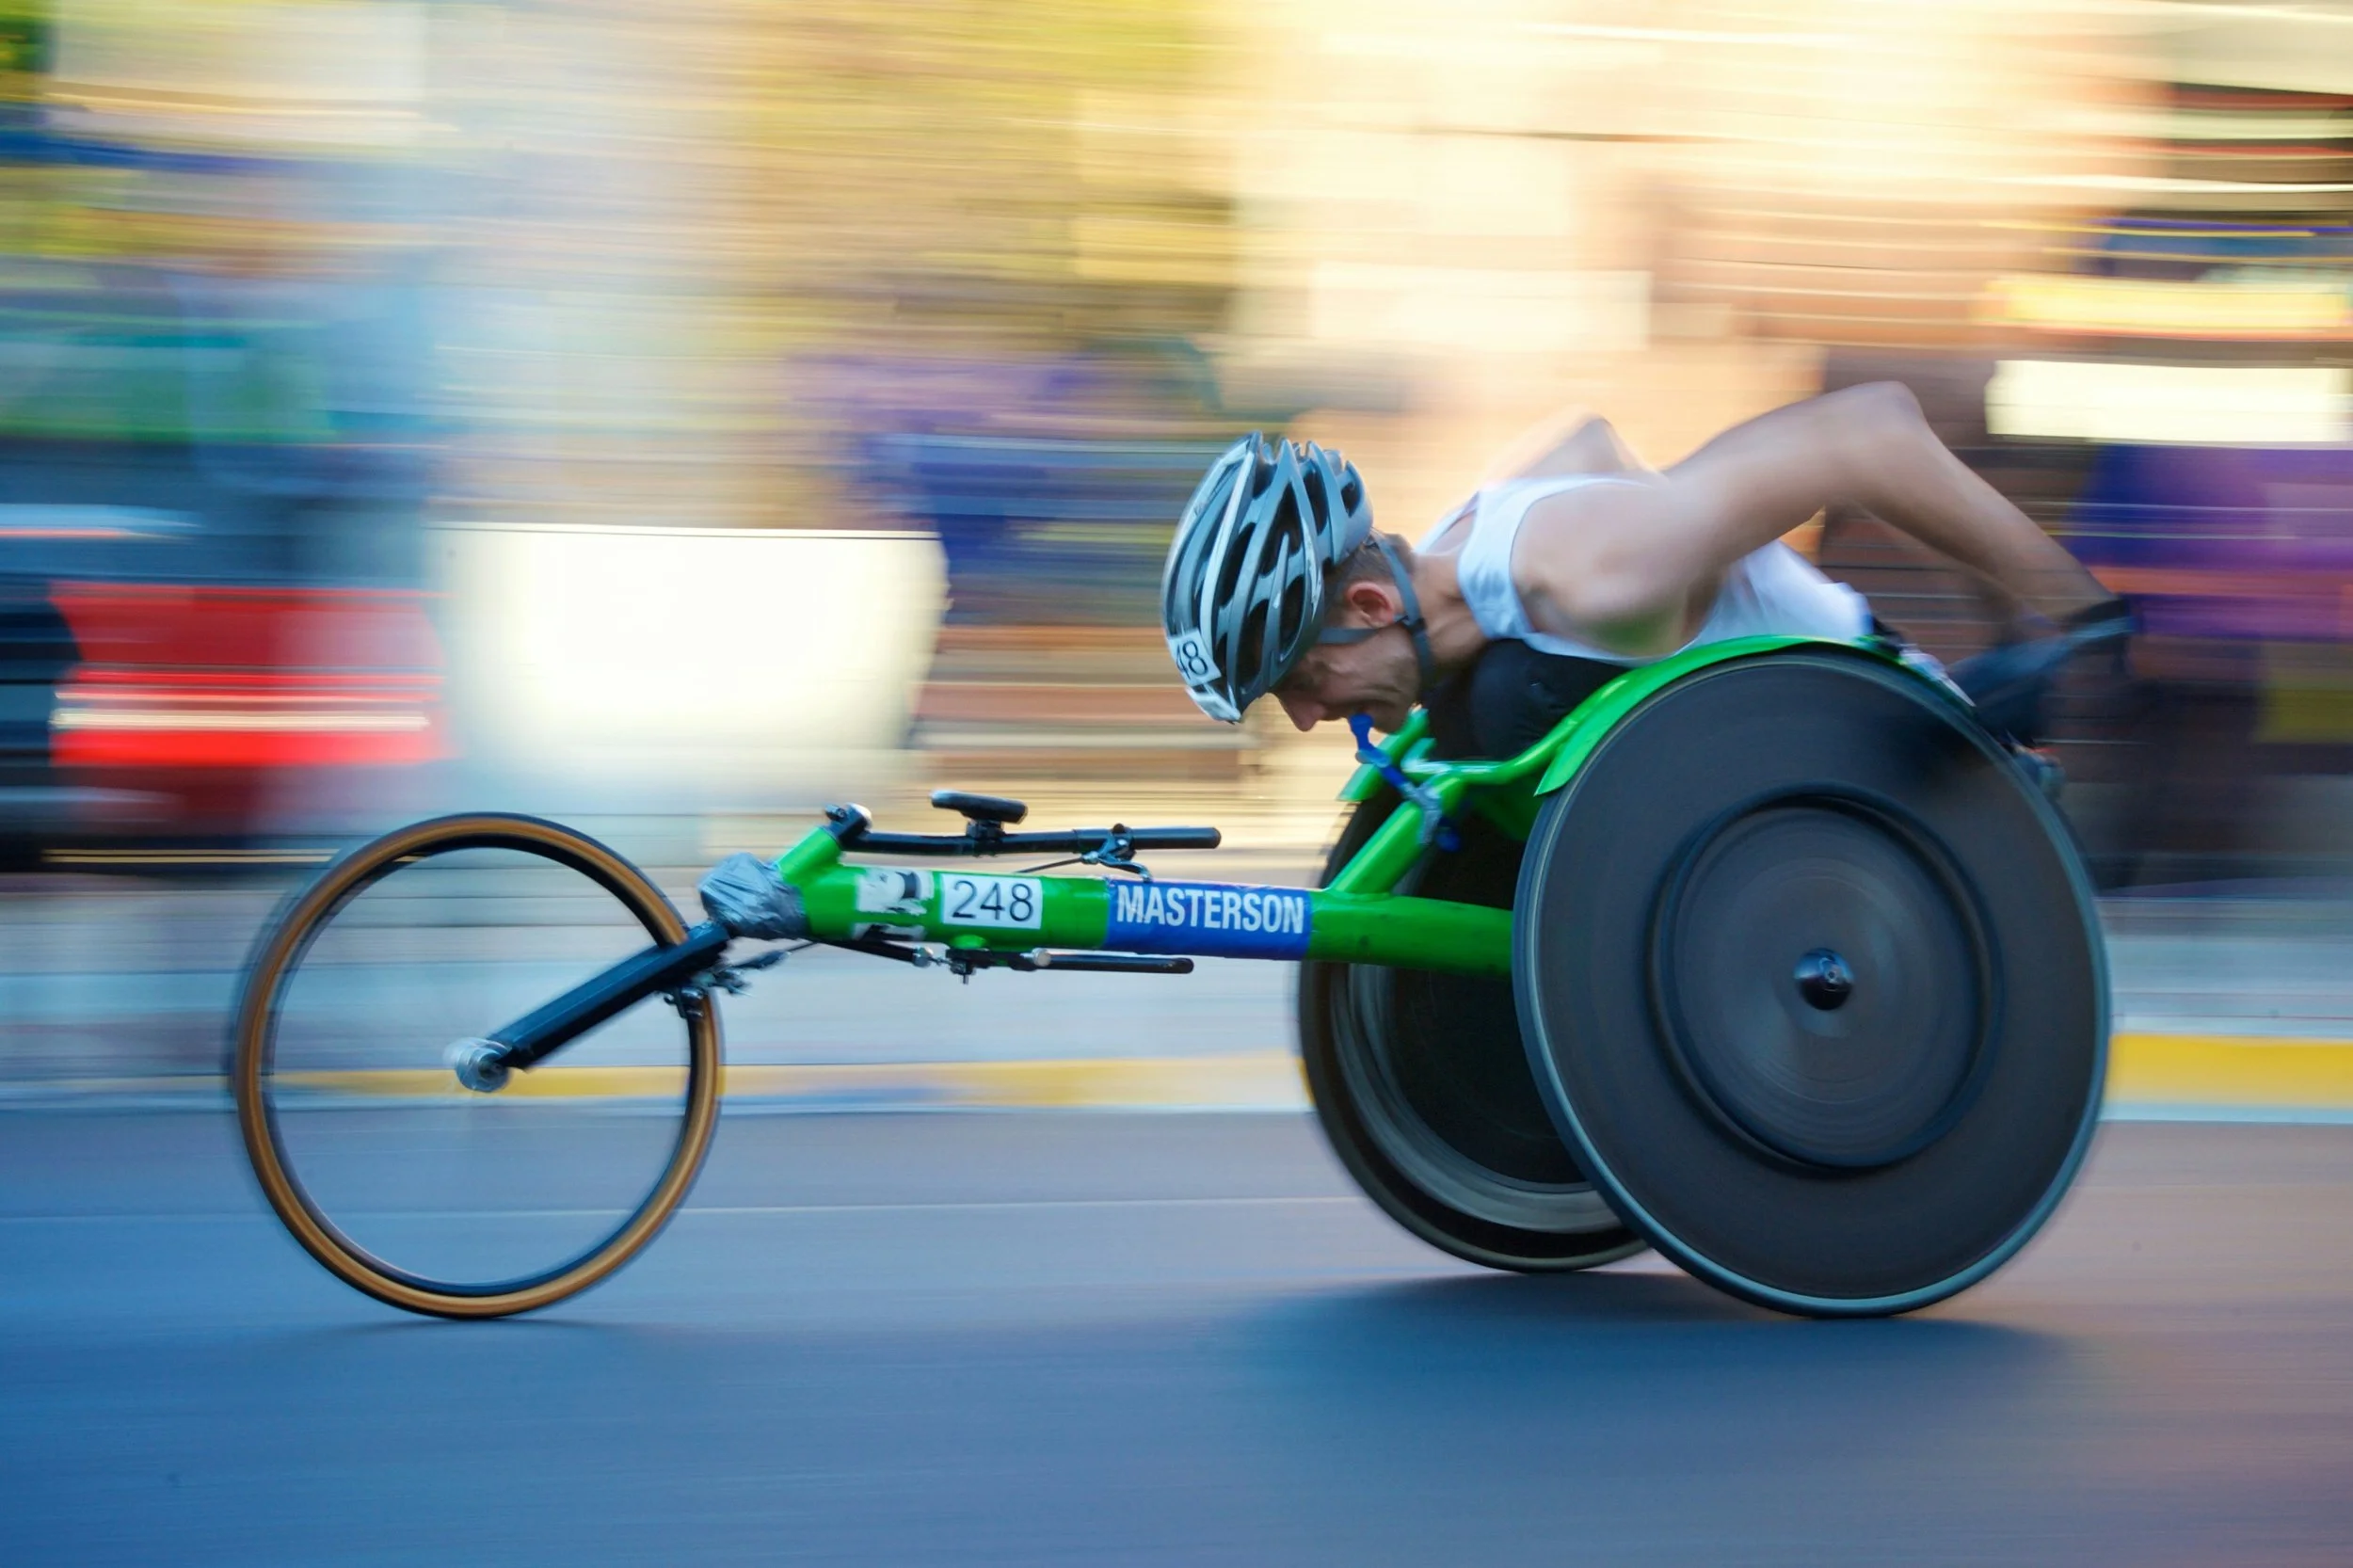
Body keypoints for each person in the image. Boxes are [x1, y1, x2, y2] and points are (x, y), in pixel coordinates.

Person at [1160, 382, 2129, 760]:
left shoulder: (1596, 577)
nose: (1304, 716)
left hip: (1875, 744)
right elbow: (1584, 435)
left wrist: (2060, 625)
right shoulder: (1471, 538)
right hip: (1750, 747)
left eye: (1298, 679)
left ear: (1370, 604)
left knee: (1503, 699)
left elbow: (1867, 434)